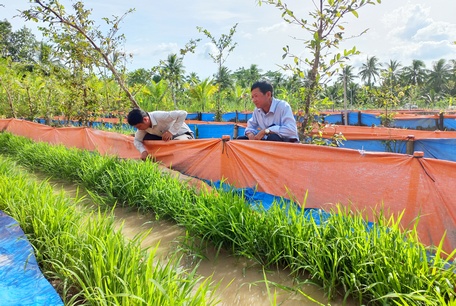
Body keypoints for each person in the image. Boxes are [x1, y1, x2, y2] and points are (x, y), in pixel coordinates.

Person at [127, 108, 194, 160]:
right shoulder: (144, 128)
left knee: (177, 143)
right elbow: (137, 140)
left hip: (182, 134)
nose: (139, 129)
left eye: (139, 126)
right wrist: (143, 151)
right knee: (146, 139)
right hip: (167, 139)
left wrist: (171, 132)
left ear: (145, 119)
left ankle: (178, 161)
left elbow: (183, 113)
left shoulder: (160, 116)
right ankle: (162, 159)